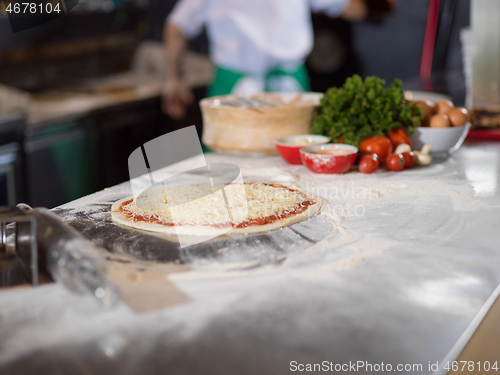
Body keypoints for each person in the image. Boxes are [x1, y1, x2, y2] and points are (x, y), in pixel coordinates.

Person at [162, 0, 368, 119]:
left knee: (228, 176)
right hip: (289, 93)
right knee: (294, 175)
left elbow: (176, 28)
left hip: (233, 94)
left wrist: (174, 78)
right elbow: (356, 10)